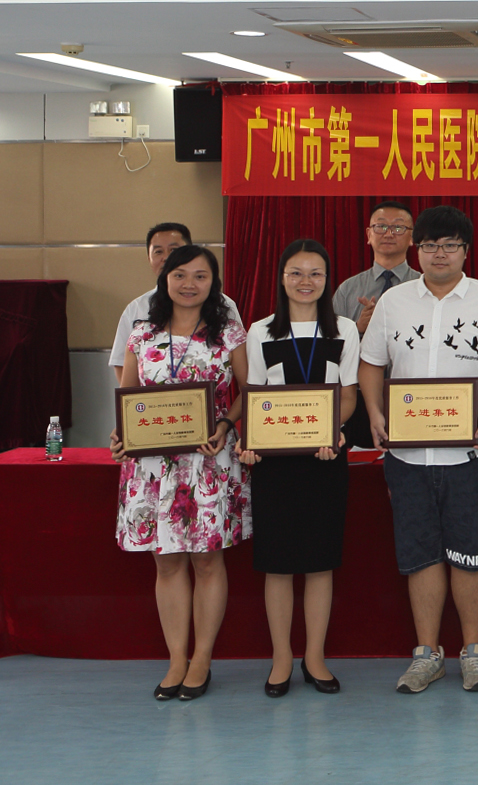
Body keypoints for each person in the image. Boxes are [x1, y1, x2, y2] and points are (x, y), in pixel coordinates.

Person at [357, 205, 478, 694]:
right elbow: (371, 364)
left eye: (450, 245)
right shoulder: (394, 302)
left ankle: (473, 652)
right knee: (420, 554)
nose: (439, 254)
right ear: (417, 250)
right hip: (407, 456)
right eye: (430, 245)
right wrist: (375, 413)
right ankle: (427, 654)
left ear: (465, 251)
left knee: (470, 553)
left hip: (470, 454)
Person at [109, 244, 250, 702]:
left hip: (209, 460)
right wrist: (120, 436)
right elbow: (128, 397)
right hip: (152, 466)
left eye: (200, 276)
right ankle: (176, 659)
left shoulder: (228, 331)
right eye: (180, 274)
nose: (190, 284)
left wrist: (226, 425)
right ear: (164, 278)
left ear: (214, 283)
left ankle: (202, 658)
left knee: (207, 560)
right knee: (166, 562)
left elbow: (249, 389)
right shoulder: (141, 332)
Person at [237, 239, 359, 697]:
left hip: (325, 458)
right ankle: (282, 658)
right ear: (282, 278)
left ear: (327, 280)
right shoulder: (260, 331)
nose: (305, 282)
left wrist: (333, 431)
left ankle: (315, 656)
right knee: (279, 565)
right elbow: (255, 396)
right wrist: (250, 443)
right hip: (275, 463)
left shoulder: (344, 329)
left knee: (320, 563)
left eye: (315, 273)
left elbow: (348, 395)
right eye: (296, 272)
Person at [333, 201, 421, 448]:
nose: (389, 233)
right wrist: (357, 329)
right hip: (359, 399)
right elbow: (327, 348)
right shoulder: (348, 290)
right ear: (368, 235)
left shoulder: (424, 287)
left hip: (414, 395)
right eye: (381, 226)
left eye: (398, 227)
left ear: (412, 238)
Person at [109, 222, 241, 386]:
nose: (166, 258)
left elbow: (246, 381)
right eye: (158, 251)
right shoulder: (137, 315)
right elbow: (122, 367)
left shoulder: (227, 313)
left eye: (173, 250)